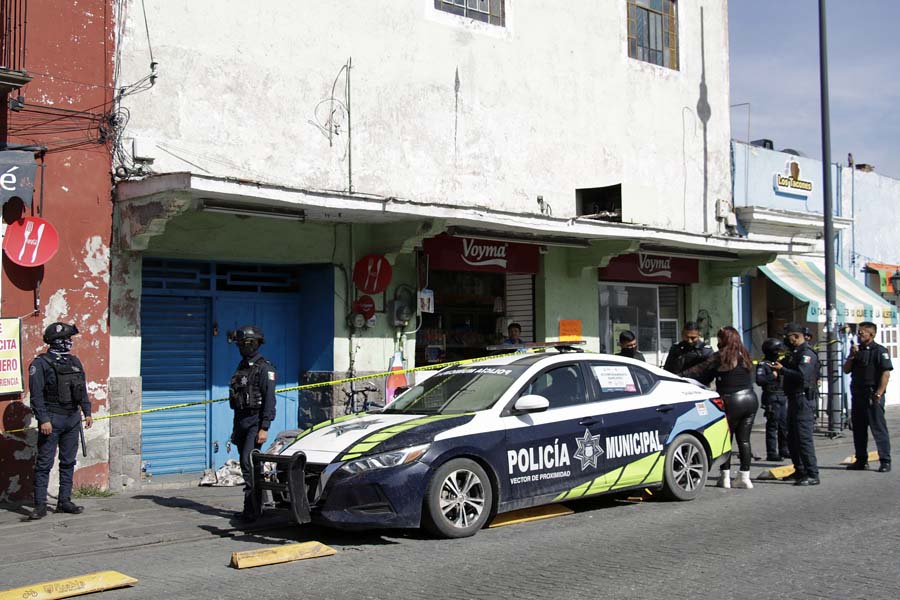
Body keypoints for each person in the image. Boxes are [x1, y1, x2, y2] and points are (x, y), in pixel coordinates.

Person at [28, 322, 92, 520]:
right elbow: (36, 395)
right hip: (52, 419)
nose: (70, 342)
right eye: (66, 339)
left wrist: (87, 411)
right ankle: (39, 505)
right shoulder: (40, 363)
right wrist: (43, 419)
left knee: (68, 462)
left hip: (72, 418)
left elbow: (82, 389)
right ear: (56, 341)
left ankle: (64, 500)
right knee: (44, 463)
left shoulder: (74, 362)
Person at [682, 326, 758, 489]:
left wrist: (678, 376)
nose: (718, 341)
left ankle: (725, 476)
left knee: (726, 440)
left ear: (725, 340)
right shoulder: (744, 354)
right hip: (750, 399)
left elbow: (698, 370)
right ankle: (745, 476)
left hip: (731, 401)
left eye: (719, 338)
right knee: (744, 440)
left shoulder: (721, 356)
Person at [228, 325, 277, 522]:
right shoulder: (242, 367)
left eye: (245, 344)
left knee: (249, 465)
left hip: (255, 423)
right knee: (248, 465)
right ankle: (259, 505)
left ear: (254, 343)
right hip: (241, 421)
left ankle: (251, 511)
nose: (242, 347)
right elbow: (237, 399)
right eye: (240, 344)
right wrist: (235, 429)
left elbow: (269, 400)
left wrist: (264, 427)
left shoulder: (265, 368)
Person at [772, 322, 820, 486]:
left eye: (788, 336)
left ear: (796, 336)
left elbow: (802, 375)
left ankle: (812, 473)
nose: (786, 340)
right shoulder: (794, 353)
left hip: (804, 400)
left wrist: (783, 370)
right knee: (792, 437)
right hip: (793, 398)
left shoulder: (807, 354)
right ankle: (799, 470)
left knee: (804, 438)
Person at [843, 321, 892, 473]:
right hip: (858, 394)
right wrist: (851, 356)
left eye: (862, 333)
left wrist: (879, 392)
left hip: (873, 394)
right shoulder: (857, 351)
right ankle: (861, 460)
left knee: (878, 428)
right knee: (858, 429)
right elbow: (846, 370)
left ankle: (885, 460)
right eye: (858, 332)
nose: (859, 335)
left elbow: (886, 373)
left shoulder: (879, 350)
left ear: (871, 334)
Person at [756, 337, 791, 462]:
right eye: (777, 351)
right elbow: (759, 380)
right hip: (771, 397)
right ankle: (771, 452)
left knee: (783, 425)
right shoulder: (763, 364)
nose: (779, 353)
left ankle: (784, 449)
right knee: (772, 425)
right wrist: (772, 375)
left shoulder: (779, 364)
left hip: (782, 395)